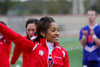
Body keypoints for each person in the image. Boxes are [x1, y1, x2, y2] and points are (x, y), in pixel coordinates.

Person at [0, 16, 69, 67]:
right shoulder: (32, 46)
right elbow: (15, 36)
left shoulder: (63, 52)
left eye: (58, 30)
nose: (57, 33)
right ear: (42, 33)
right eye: (53, 30)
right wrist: (13, 61)